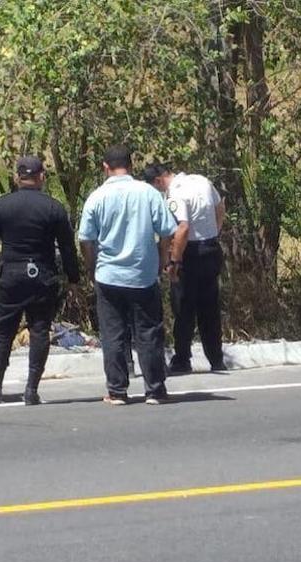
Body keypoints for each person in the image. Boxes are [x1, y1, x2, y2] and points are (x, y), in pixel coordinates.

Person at [0, 156, 81, 406]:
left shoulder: (2, 205)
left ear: (17, 177)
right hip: (42, 276)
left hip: (11, 275)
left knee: (3, 332)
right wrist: (73, 279)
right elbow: (68, 247)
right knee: (39, 330)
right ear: (41, 177)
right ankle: (32, 389)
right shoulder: (54, 207)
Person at [78, 145, 177, 405]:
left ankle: (117, 390)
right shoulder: (148, 193)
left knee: (113, 334)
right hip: (143, 274)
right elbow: (167, 231)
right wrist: (162, 258)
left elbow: (86, 239)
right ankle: (155, 389)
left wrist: (92, 267)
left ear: (105, 167)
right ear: (131, 166)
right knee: (149, 332)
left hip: (108, 275)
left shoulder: (97, 197)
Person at [142, 163, 227, 373]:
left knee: (183, 308)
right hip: (211, 249)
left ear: (158, 181)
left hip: (189, 254)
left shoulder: (175, 194)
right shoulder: (201, 181)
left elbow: (182, 228)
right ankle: (216, 359)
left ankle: (182, 359)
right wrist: (213, 233)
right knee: (210, 308)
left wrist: (174, 261)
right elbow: (220, 208)